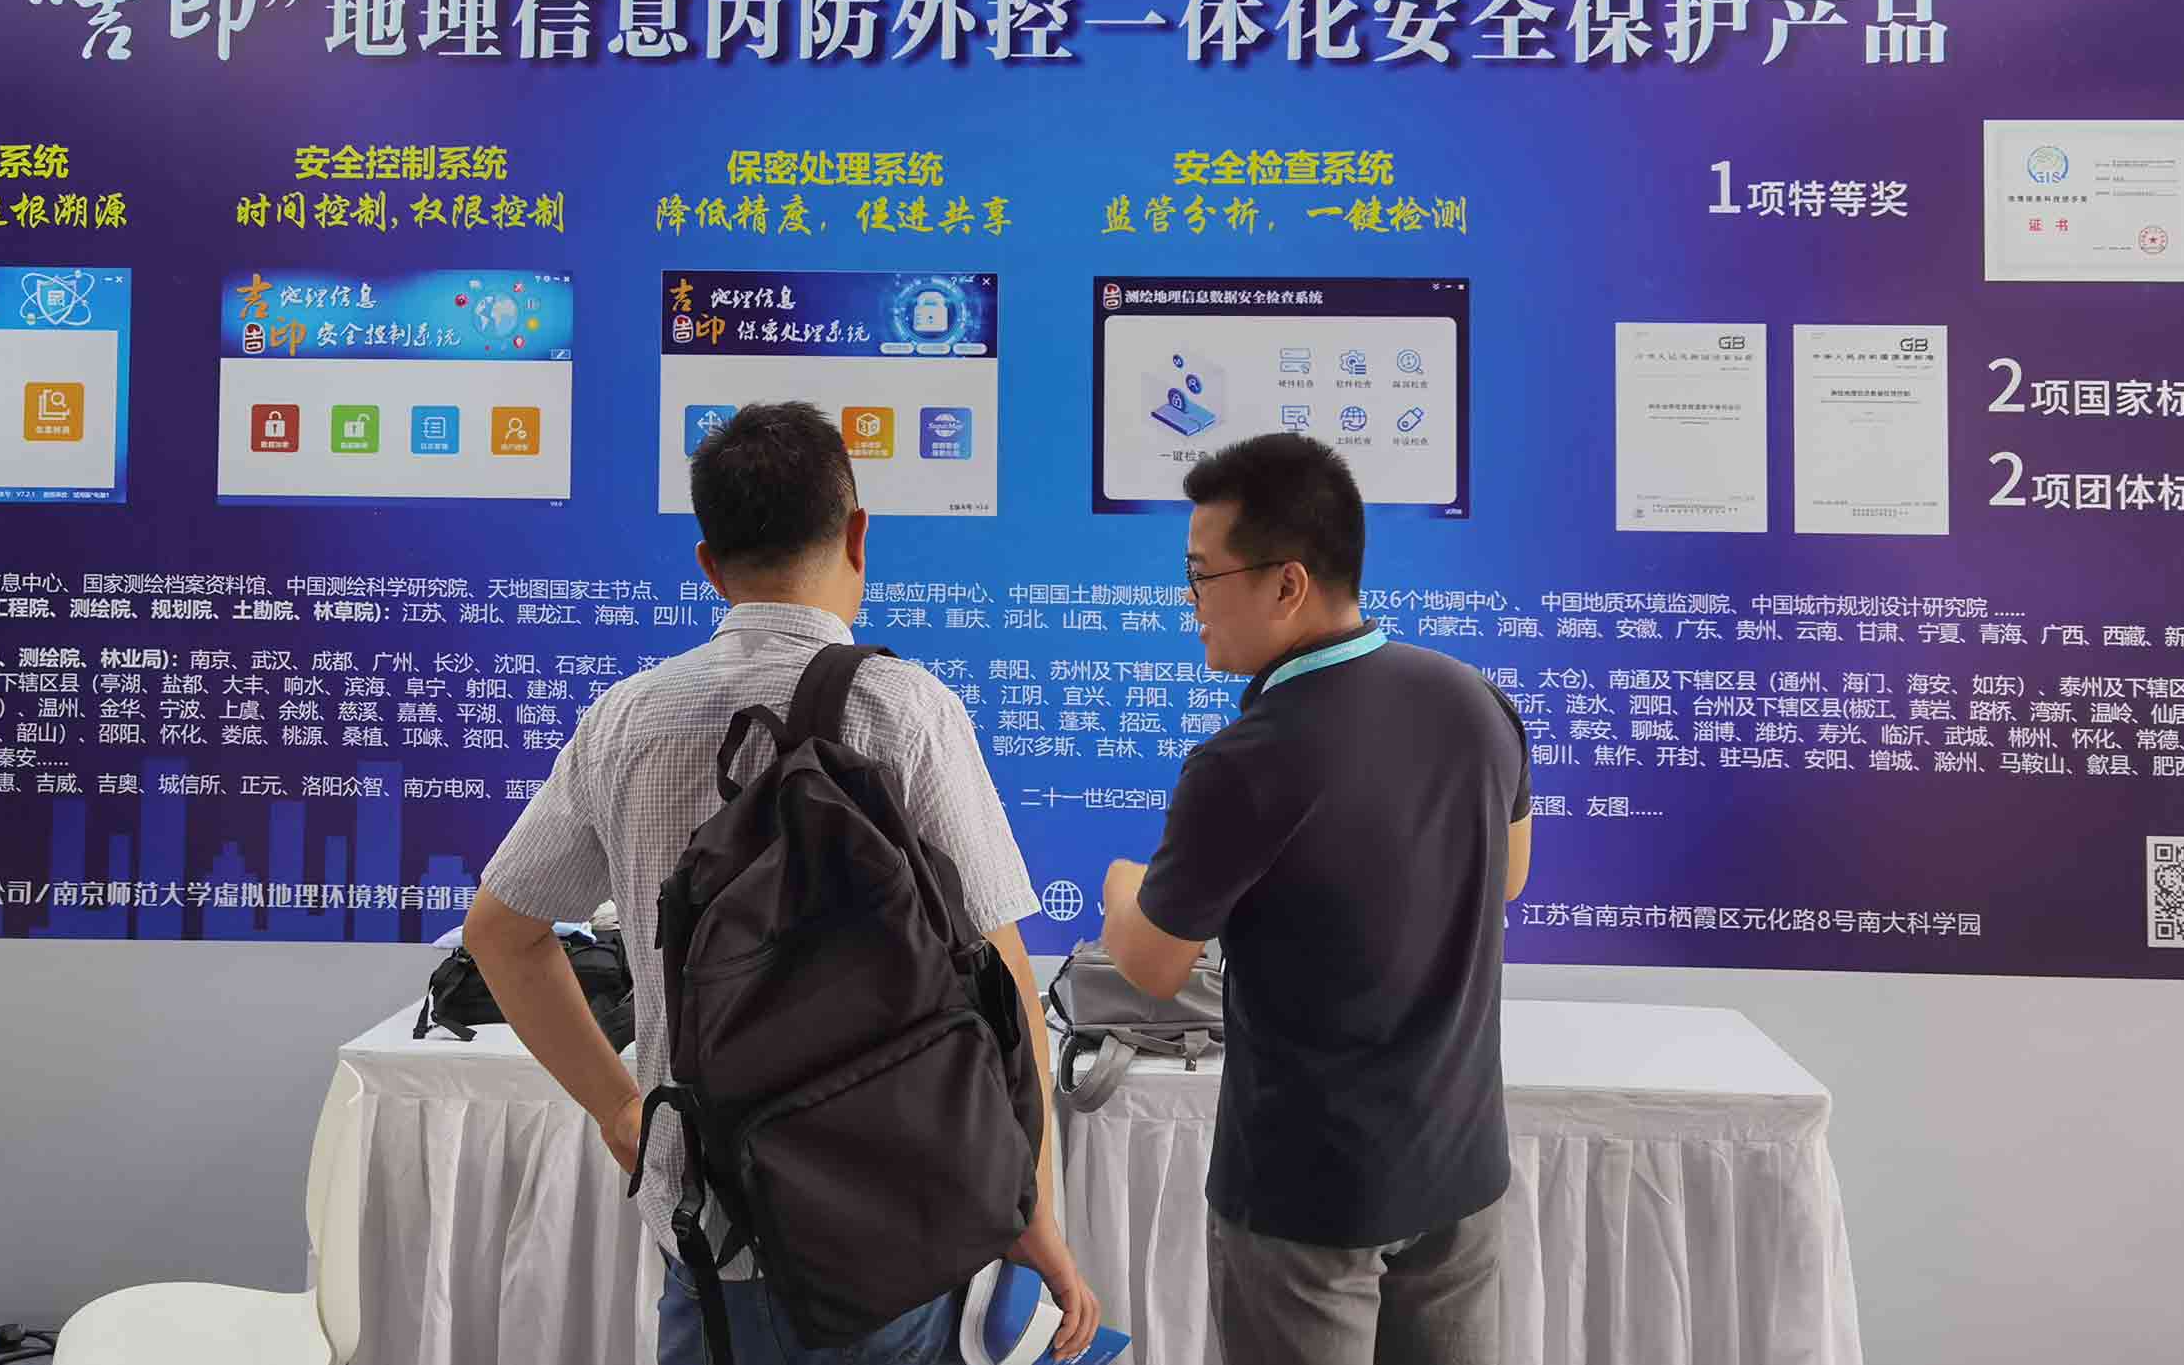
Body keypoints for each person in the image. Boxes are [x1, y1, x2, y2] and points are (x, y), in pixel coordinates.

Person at [464, 400, 1101, 1364]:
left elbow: (500, 932)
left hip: (715, 1235)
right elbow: (1003, 973)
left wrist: (619, 1107)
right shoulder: (906, 707)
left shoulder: (627, 720)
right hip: (894, 1216)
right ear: (857, 534)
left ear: (708, 565)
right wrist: (1033, 1207)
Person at [1098, 432, 1531, 1365]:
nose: (1189, 601)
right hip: (1460, 1175)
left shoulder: (1247, 761)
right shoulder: (1477, 701)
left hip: (1307, 1202)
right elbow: (1511, 875)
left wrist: (1120, 884)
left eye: (1201, 574)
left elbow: (1153, 964)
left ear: (1287, 584)